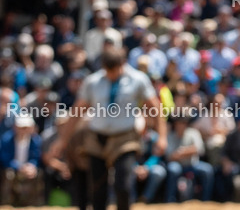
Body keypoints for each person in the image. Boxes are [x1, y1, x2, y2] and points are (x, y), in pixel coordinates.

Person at [49, 46, 167, 210]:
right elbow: (77, 112)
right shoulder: (93, 82)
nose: (111, 74)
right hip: (97, 138)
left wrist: (162, 137)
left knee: (123, 186)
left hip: (125, 139)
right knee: (98, 189)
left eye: (115, 69)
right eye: (108, 69)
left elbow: (156, 108)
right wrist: (62, 140)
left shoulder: (138, 79)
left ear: (123, 63)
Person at [0, 114, 44, 206]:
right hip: (13, 169)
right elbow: (5, 159)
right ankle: (7, 203)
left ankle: (34, 204)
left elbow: (36, 157)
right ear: (15, 127)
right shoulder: (7, 139)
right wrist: (19, 167)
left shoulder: (36, 141)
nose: (23, 130)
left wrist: (31, 166)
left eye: (26, 127)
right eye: (21, 127)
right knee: (8, 175)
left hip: (28, 169)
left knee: (38, 175)